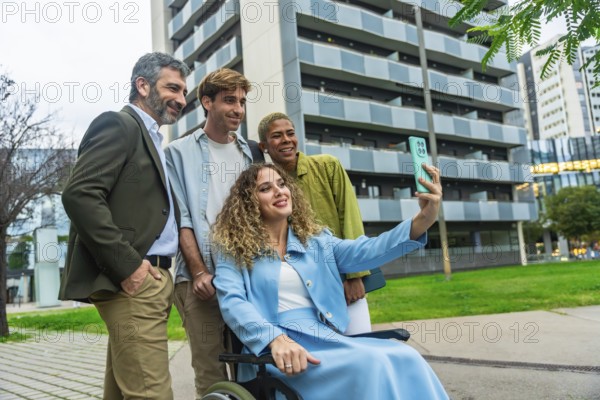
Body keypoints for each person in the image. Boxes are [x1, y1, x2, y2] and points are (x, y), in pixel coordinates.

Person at [212, 163, 449, 399]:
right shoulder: (233, 250)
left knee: (405, 356)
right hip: (277, 353)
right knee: (372, 363)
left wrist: (424, 218)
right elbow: (233, 302)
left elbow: (369, 250)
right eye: (265, 188)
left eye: (282, 184)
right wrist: (273, 339)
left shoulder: (316, 241)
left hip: (325, 338)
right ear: (249, 202)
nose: (279, 191)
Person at [59, 52, 189, 400]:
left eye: (184, 92)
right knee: (152, 393)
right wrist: (129, 267)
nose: (181, 99)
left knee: (121, 391)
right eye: (172, 88)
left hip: (150, 280)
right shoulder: (120, 124)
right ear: (142, 85)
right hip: (133, 281)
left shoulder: (154, 139)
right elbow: (80, 195)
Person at [165, 68, 258, 397]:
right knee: (211, 371)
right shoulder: (176, 154)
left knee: (255, 364)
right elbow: (181, 218)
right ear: (207, 102)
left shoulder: (252, 153)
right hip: (200, 278)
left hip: (249, 275)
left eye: (242, 102)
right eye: (229, 100)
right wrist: (199, 270)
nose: (238, 109)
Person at [257, 112, 373, 334]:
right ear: (264, 146)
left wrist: (355, 275)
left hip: (341, 278)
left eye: (290, 133)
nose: (286, 140)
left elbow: (350, 217)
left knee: (360, 343)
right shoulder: (267, 186)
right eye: (277, 136)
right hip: (300, 287)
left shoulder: (327, 166)